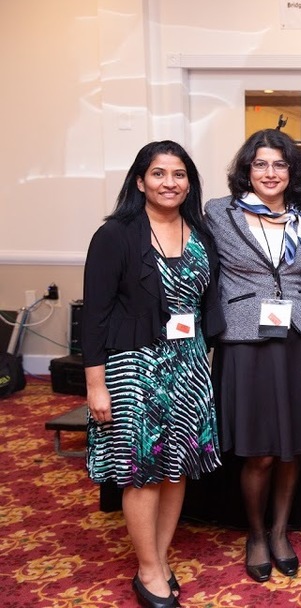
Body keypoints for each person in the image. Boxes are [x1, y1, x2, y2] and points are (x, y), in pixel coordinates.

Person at [82, 141, 225, 608]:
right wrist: (95, 385)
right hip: (134, 368)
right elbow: (95, 317)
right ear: (140, 181)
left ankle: (160, 559)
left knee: (175, 467)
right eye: (159, 173)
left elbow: (205, 305)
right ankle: (147, 569)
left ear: (190, 182)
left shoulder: (200, 232)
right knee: (142, 471)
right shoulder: (115, 235)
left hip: (188, 366)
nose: (170, 183)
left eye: (179, 174)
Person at [205, 129, 301, 583]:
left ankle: (281, 531)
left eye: (279, 164)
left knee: (292, 448)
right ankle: (256, 533)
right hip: (246, 342)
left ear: (291, 171)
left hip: (298, 340)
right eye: (260, 164)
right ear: (247, 169)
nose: (270, 173)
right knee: (259, 452)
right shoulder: (219, 213)